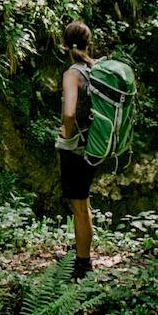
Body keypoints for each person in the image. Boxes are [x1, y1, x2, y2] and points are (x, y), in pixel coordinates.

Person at [56, 19, 96, 278]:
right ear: (88, 43)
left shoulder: (72, 74)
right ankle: (80, 251)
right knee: (83, 203)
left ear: (64, 44)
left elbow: (69, 112)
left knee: (79, 207)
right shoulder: (95, 70)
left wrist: (66, 132)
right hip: (93, 145)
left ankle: (83, 264)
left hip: (76, 148)